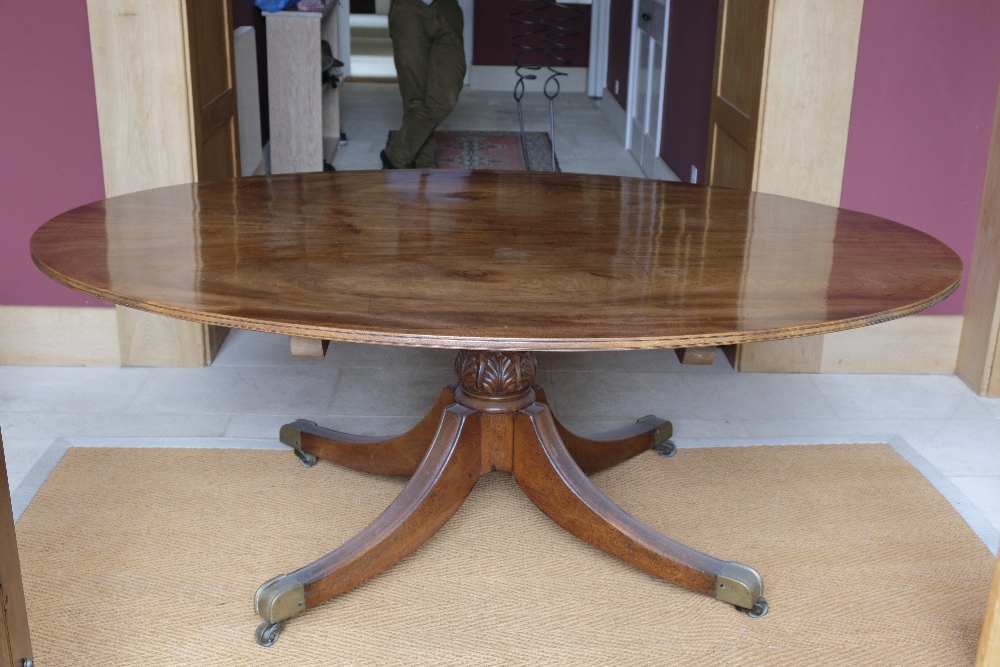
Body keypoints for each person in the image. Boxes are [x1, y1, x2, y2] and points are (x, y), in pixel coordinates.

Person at [380, 0, 466, 169]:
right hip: (408, 9)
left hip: (447, 9)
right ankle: (425, 166)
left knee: (444, 99)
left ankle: (395, 155)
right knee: (415, 98)